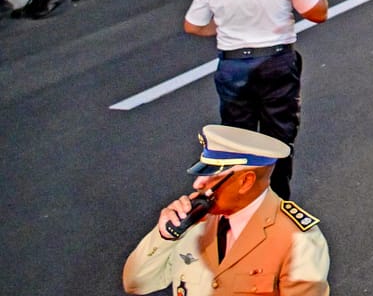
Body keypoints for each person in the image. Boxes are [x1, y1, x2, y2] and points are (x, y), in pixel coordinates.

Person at [182, 0, 329, 198]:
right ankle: (276, 200)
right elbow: (318, 12)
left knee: (237, 141)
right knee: (279, 138)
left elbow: (193, 26)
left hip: (233, 67)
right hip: (276, 63)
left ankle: (240, 200)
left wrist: (225, 29)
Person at [121, 124, 331, 296]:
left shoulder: (297, 239)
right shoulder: (194, 221)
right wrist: (164, 237)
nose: (197, 184)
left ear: (245, 182)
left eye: (212, 176)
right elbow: (136, 284)